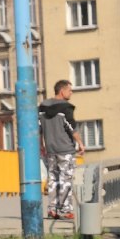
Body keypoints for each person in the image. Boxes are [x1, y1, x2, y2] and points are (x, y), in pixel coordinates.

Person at [39, 79, 84, 220]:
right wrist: (80, 143)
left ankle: (52, 209)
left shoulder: (42, 107)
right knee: (66, 179)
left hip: (50, 149)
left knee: (52, 178)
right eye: (70, 90)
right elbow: (72, 128)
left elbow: (39, 128)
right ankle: (65, 209)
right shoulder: (66, 108)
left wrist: (42, 145)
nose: (71, 93)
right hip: (65, 149)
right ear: (62, 91)